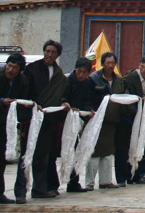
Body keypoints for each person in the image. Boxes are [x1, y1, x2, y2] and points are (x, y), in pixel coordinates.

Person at [16, 39, 68, 201]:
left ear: (58, 54)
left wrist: (63, 103)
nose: (49, 55)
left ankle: (39, 189)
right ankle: (20, 192)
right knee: (26, 156)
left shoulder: (59, 74)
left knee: (43, 156)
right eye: (47, 51)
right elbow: (24, 92)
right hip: (31, 119)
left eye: (53, 52)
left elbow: (61, 95)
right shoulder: (32, 69)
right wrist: (31, 106)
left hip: (48, 120)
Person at [0, 52, 29, 205]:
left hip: (10, 124)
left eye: (15, 68)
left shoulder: (22, 81)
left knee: (1, 160)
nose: (10, 70)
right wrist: (1, 101)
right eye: (9, 66)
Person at [87, 52, 124, 189]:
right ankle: (90, 183)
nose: (110, 66)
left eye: (112, 63)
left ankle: (105, 181)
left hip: (112, 121)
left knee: (108, 153)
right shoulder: (93, 79)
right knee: (94, 153)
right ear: (102, 63)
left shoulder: (118, 80)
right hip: (96, 121)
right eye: (107, 63)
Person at [121, 56, 145, 184]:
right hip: (129, 118)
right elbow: (126, 97)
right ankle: (127, 176)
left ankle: (137, 174)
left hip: (143, 118)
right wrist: (138, 101)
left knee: (141, 146)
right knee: (128, 148)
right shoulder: (130, 79)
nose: (143, 70)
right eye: (142, 66)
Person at [62, 57, 95, 192]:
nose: (81, 75)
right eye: (79, 71)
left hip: (78, 120)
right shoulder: (66, 81)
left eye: (84, 72)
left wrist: (88, 111)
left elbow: (88, 100)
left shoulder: (88, 83)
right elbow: (62, 97)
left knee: (75, 151)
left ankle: (73, 182)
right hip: (64, 120)